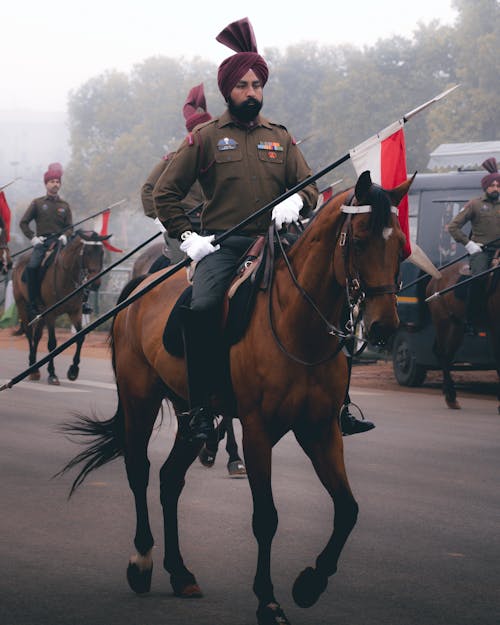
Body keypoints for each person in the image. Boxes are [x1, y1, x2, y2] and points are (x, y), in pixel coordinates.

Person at [153, 17, 369, 440]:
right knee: (202, 307)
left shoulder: (281, 138)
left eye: (257, 85)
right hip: (226, 246)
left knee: (332, 294)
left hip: (281, 242)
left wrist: (297, 200)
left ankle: (338, 404)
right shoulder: (205, 138)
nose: (251, 93)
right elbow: (165, 194)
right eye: (243, 86)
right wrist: (188, 239)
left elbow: (309, 190)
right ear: (228, 91)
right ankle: (200, 408)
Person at [140, 83, 211, 268]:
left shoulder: (220, 161)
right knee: (181, 271)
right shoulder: (174, 160)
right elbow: (148, 190)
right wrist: (161, 218)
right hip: (182, 225)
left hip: (213, 223)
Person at [448, 156, 500, 330]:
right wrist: (469, 244)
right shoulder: (475, 205)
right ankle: (473, 318)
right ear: (486, 187)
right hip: (481, 251)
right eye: (492, 185)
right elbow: (453, 227)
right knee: (479, 278)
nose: (496, 188)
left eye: (498, 185)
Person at [19, 163, 73, 318]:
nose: (55, 184)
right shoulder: (37, 203)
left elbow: (70, 227)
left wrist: (65, 236)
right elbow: (23, 223)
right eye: (52, 181)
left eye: (58, 182)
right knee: (32, 267)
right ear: (46, 184)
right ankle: (32, 304)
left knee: (77, 262)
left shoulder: (65, 205)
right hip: (42, 243)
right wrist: (33, 238)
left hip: (60, 243)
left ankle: (81, 300)